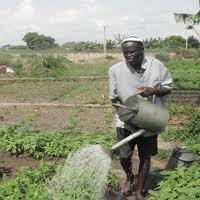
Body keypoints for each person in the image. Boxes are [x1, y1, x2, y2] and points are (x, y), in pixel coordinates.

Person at [108, 35, 173, 200]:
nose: (129, 56)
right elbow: (114, 98)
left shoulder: (156, 66)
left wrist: (153, 91)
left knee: (145, 156)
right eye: (125, 53)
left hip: (150, 117)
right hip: (125, 119)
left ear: (142, 50)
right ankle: (129, 177)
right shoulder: (115, 70)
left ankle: (140, 190)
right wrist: (125, 110)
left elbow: (168, 87)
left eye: (133, 52)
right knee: (124, 155)